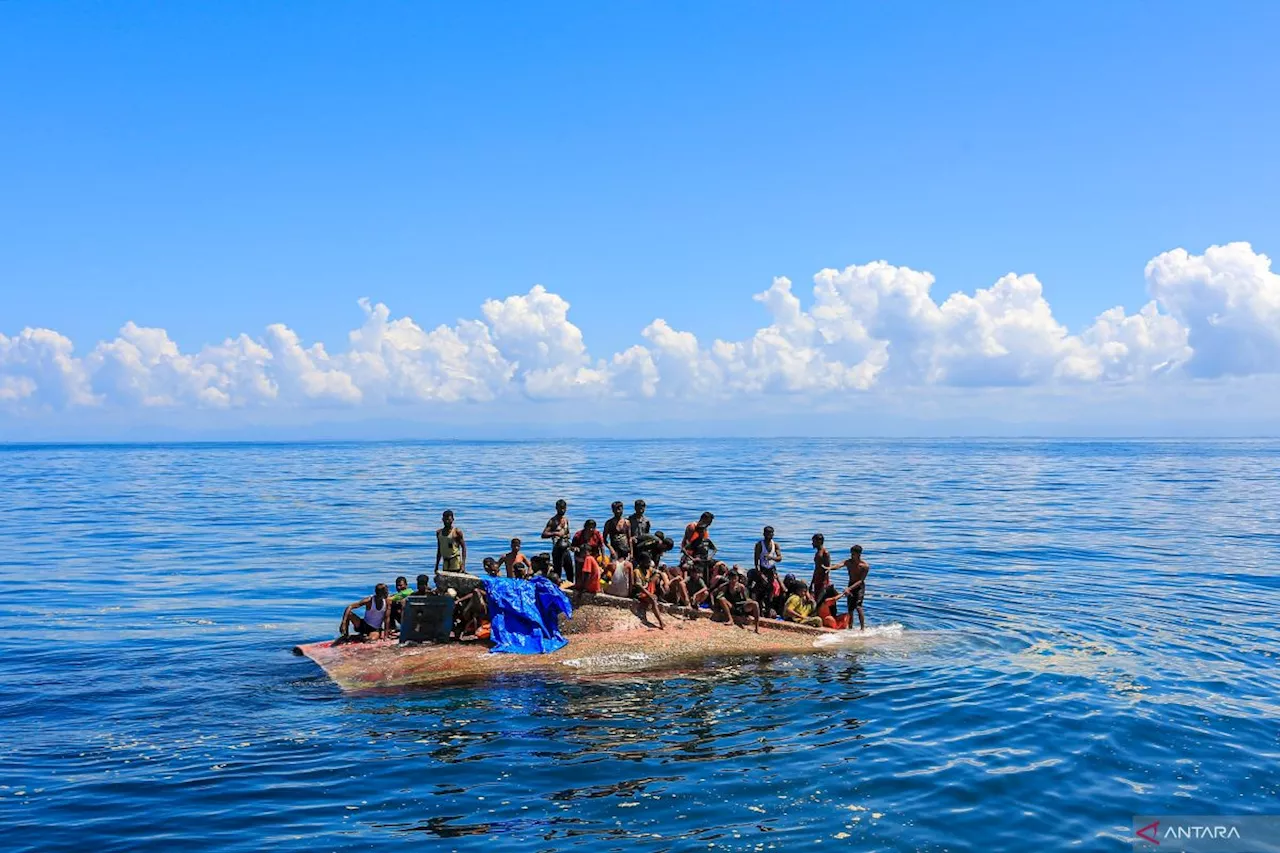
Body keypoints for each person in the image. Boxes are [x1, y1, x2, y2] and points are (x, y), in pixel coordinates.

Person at [829, 545, 870, 630]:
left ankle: (862, 628)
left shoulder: (864, 566)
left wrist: (849, 588)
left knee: (858, 606)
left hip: (859, 587)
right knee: (850, 608)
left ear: (859, 554)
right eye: (851, 554)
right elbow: (839, 565)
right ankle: (850, 628)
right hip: (850, 584)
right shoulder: (848, 562)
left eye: (853, 554)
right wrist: (830, 568)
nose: (851, 556)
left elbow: (861, 581)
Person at [715, 567, 760, 633]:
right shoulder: (724, 587)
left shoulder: (741, 587)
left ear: (737, 578)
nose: (733, 581)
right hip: (730, 606)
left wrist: (750, 601)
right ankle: (730, 619)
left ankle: (756, 628)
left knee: (755, 604)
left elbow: (746, 598)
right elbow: (716, 595)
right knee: (722, 599)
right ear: (728, 579)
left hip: (740, 606)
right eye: (731, 579)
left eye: (734, 579)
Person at [541, 499, 575, 582]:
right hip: (557, 550)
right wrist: (555, 533)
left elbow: (567, 534)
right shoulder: (553, 521)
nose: (562, 510)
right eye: (561, 508)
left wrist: (570, 544)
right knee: (557, 572)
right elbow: (544, 534)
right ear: (556, 508)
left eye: (564, 508)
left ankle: (569, 588)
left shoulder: (566, 520)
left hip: (566, 549)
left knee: (570, 571)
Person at [629, 554, 665, 629]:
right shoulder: (637, 571)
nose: (648, 564)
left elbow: (659, 573)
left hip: (647, 589)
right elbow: (638, 586)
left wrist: (665, 583)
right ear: (642, 562)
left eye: (649, 562)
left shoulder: (649, 569)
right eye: (647, 562)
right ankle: (661, 621)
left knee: (657, 576)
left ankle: (660, 596)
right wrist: (649, 594)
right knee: (653, 600)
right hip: (640, 592)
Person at [571, 519, 605, 598]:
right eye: (589, 527)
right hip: (580, 556)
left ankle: (585, 587)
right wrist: (575, 548)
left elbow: (602, 546)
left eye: (593, 528)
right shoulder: (578, 535)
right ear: (585, 527)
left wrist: (603, 559)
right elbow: (572, 546)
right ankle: (579, 585)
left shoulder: (597, 534)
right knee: (580, 573)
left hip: (592, 556)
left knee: (590, 573)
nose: (591, 530)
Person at [435, 510, 467, 574]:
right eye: (445, 519)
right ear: (442, 519)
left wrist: (463, 565)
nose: (447, 521)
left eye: (449, 519)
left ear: (452, 520)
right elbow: (439, 549)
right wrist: (437, 565)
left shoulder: (456, 532)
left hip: (455, 562)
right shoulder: (439, 533)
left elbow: (464, 548)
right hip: (445, 562)